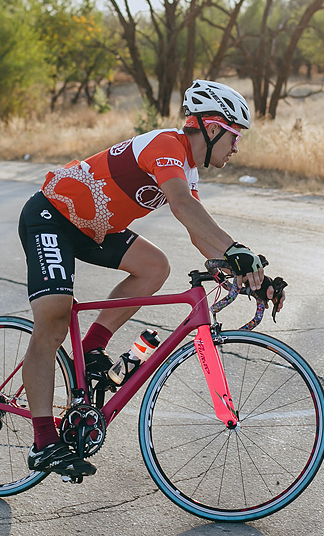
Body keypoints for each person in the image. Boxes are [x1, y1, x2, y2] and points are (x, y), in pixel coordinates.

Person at [17, 79, 284, 476]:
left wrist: (250, 276)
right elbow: (179, 205)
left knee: (155, 266)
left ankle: (92, 347)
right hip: (52, 217)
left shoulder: (189, 168)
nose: (237, 147)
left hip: (94, 229)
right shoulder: (166, 146)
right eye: (234, 136)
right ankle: (43, 443)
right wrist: (234, 249)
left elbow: (198, 231)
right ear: (211, 129)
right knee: (54, 318)